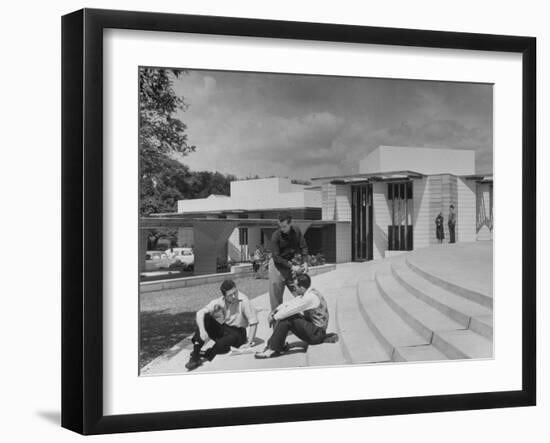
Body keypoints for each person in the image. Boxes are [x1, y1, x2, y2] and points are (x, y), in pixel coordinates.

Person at [255, 274, 337, 359]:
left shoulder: (309, 298)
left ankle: (273, 349)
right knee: (289, 316)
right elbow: (291, 303)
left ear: (301, 287)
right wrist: (274, 311)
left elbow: (291, 310)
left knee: (289, 318)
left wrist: (274, 317)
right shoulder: (309, 292)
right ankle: (276, 345)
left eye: (295, 287)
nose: (294, 289)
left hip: (317, 335)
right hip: (315, 330)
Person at [185, 279, 258, 371]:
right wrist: (203, 331)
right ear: (224, 296)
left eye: (235, 292)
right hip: (225, 327)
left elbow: (253, 322)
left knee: (221, 345)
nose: (234, 296)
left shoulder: (244, 300)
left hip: (238, 333)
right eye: (230, 295)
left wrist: (249, 342)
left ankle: (206, 353)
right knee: (206, 317)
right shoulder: (220, 301)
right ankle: (195, 356)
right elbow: (200, 313)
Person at [268, 212, 309, 311]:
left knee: (301, 294)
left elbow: (303, 247)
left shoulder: (297, 231)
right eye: (280, 226)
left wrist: (305, 262)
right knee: (276, 301)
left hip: (289, 264)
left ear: (290, 224)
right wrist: (292, 267)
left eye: (285, 226)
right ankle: (276, 323)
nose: (282, 229)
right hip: (276, 266)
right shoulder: (276, 236)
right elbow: (276, 257)